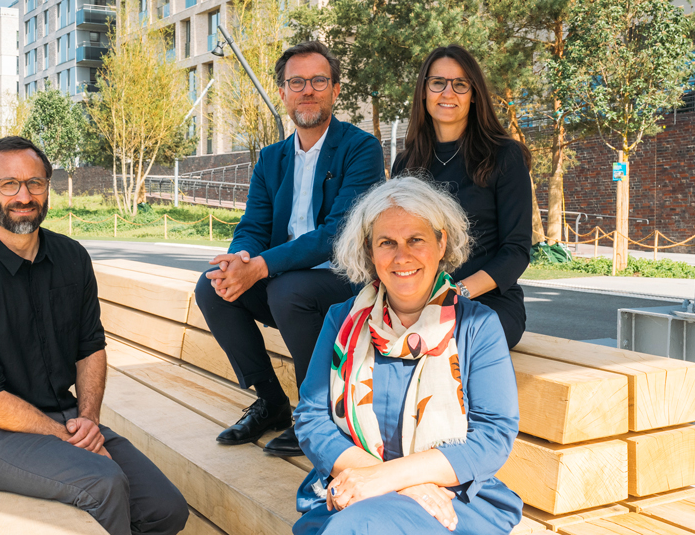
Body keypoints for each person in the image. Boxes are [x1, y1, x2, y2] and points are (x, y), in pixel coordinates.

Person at [0, 137, 188, 535]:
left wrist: (87, 419)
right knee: (103, 484)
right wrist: (66, 436)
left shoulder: (71, 257)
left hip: (65, 417)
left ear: (48, 187)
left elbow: (90, 348)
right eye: (8, 184)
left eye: (35, 182)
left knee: (165, 508)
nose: (24, 195)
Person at [293, 177, 521, 535]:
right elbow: (312, 418)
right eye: (387, 242)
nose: (402, 256)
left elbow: (492, 437)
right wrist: (397, 484)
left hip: (451, 499)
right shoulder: (342, 320)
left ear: (441, 241)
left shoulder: (477, 326)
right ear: (369, 250)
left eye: (416, 239)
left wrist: (386, 478)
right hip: (355, 488)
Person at [194, 41, 385, 457]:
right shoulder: (271, 158)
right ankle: (272, 402)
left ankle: (316, 411)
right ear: (283, 92)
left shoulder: (361, 148)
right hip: (286, 278)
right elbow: (254, 225)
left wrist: (261, 267)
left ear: (335, 90)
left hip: (345, 285)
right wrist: (240, 260)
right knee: (211, 287)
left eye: (319, 81)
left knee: (288, 289)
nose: (307, 90)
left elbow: (338, 233)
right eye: (296, 82)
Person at [392, 45, 533, 349]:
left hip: (487, 303)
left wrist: (456, 294)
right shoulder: (406, 164)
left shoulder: (504, 156)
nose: (448, 93)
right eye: (438, 83)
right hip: (418, 302)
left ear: (473, 94)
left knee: (435, 343)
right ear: (424, 92)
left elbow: (517, 251)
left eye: (460, 84)